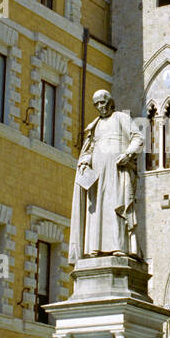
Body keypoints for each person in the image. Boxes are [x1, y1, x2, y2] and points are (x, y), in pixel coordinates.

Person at [68, 90, 143, 263]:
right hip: (98, 174)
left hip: (117, 170)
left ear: (110, 102)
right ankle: (94, 248)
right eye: (97, 104)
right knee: (96, 209)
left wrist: (128, 154)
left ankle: (119, 247)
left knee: (116, 206)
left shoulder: (120, 118)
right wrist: (85, 162)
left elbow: (138, 138)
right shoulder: (94, 125)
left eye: (103, 102)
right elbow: (89, 149)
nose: (101, 107)